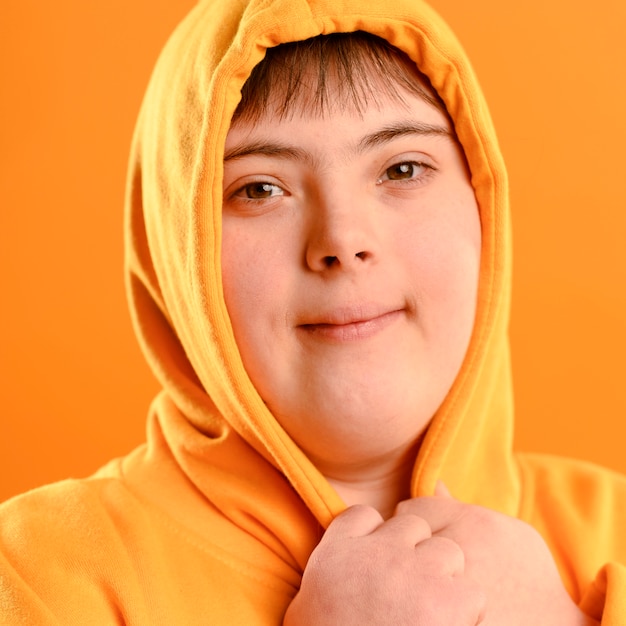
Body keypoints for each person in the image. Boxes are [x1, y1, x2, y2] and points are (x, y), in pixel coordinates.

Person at [0, 0, 625, 623]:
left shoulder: (615, 530)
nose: (343, 240)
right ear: (175, 247)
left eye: (402, 168)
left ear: (483, 203)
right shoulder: (37, 577)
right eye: (259, 188)